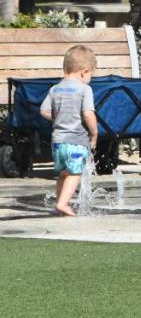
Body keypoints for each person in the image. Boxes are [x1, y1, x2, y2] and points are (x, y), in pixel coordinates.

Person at [40, 45, 98, 217]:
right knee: (75, 173)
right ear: (83, 72)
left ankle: (59, 205)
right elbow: (88, 114)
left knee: (64, 173)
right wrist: (94, 133)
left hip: (57, 141)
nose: (90, 79)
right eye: (90, 76)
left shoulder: (55, 88)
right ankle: (63, 203)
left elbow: (43, 111)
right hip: (75, 141)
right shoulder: (84, 89)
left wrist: (60, 118)